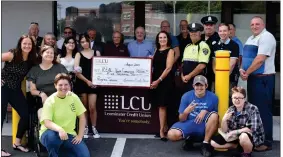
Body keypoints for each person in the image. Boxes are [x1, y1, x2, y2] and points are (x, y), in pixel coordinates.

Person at [240, 16, 276, 151]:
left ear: (263, 25)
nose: (254, 26)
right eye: (252, 24)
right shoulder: (251, 38)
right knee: (254, 110)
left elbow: (260, 59)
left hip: (263, 79)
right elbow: (247, 57)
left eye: (257, 24)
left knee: (263, 110)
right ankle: (256, 139)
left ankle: (266, 142)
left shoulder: (267, 37)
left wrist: (247, 72)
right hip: (253, 78)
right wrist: (243, 69)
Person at [1, 35, 37, 156]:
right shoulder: (13, 54)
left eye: (29, 44)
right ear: (20, 44)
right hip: (3, 87)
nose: (27, 46)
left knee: (26, 115)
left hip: (15, 90)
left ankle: (17, 143)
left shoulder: (31, 60)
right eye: (24, 43)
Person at [40, 73, 90, 157]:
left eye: (66, 84)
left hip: (69, 134)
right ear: (55, 86)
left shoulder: (73, 97)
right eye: (60, 85)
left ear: (70, 85)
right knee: (52, 138)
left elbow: (82, 117)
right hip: (51, 133)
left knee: (84, 155)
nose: (63, 87)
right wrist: (60, 129)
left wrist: (80, 136)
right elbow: (47, 122)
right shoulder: (50, 100)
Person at [167, 75, 219, 157]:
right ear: (193, 86)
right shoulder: (186, 96)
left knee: (214, 116)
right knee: (171, 135)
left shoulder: (213, 97)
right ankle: (190, 138)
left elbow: (215, 118)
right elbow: (181, 119)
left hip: (204, 124)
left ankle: (205, 144)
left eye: (201, 85)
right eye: (197, 85)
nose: (199, 88)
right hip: (190, 122)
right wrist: (186, 112)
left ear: (206, 86)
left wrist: (205, 111)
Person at [210, 87, 265, 157]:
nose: (237, 100)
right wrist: (224, 120)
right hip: (235, 136)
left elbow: (252, 129)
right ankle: (238, 147)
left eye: (240, 98)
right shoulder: (231, 109)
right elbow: (225, 130)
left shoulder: (252, 108)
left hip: (252, 136)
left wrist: (233, 132)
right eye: (235, 98)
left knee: (243, 137)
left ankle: (246, 153)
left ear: (244, 99)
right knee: (213, 142)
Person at [27, 45, 68, 119]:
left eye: (52, 53)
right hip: (42, 100)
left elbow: (66, 85)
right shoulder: (34, 70)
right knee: (44, 115)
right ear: (41, 54)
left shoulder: (60, 67)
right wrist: (42, 94)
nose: (50, 54)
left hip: (59, 98)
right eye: (47, 52)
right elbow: (32, 90)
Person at [74, 34, 101, 138]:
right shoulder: (78, 54)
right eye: (82, 42)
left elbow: (101, 69)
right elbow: (77, 72)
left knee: (92, 106)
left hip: (94, 84)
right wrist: (87, 81)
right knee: (84, 108)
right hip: (82, 83)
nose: (84, 43)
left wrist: (94, 81)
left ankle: (94, 128)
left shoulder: (96, 52)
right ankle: (85, 128)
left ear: (89, 41)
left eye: (86, 41)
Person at [150, 31, 175, 141]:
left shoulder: (170, 51)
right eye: (160, 37)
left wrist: (158, 80)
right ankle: (164, 127)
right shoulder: (156, 50)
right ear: (157, 39)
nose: (162, 39)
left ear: (168, 39)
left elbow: (168, 68)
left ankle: (161, 131)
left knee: (162, 106)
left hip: (164, 81)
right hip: (156, 80)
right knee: (160, 105)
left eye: (164, 37)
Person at [181, 23, 211, 93]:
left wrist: (189, 76)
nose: (193, 33)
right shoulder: (187, 46)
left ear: (200, 33)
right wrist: (182, 76)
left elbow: (202, 66)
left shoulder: (203, 46)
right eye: (191, 32)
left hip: (198, 82)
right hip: (185, 80)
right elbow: (183, 64)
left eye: (195, 32)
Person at [212, 23, 239, 89]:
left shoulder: (234, 45)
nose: (222, 33)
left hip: (230, 78)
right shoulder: (215, 45)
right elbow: (214, 63)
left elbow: (232, 64)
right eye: (220, 31)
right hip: (217, 77)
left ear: (229, 32)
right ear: (218, 32)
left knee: (230, 98)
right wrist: (217, 75)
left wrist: (223, 76)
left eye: (224, 31)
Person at [201, 15, 220, 91]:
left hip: (214, 74)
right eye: (206, 25)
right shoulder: (199, 38)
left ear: (214, 26)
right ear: (203, 26)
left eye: (211, 25)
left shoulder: (219, 38)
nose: (208, 27)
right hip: (200, 73)